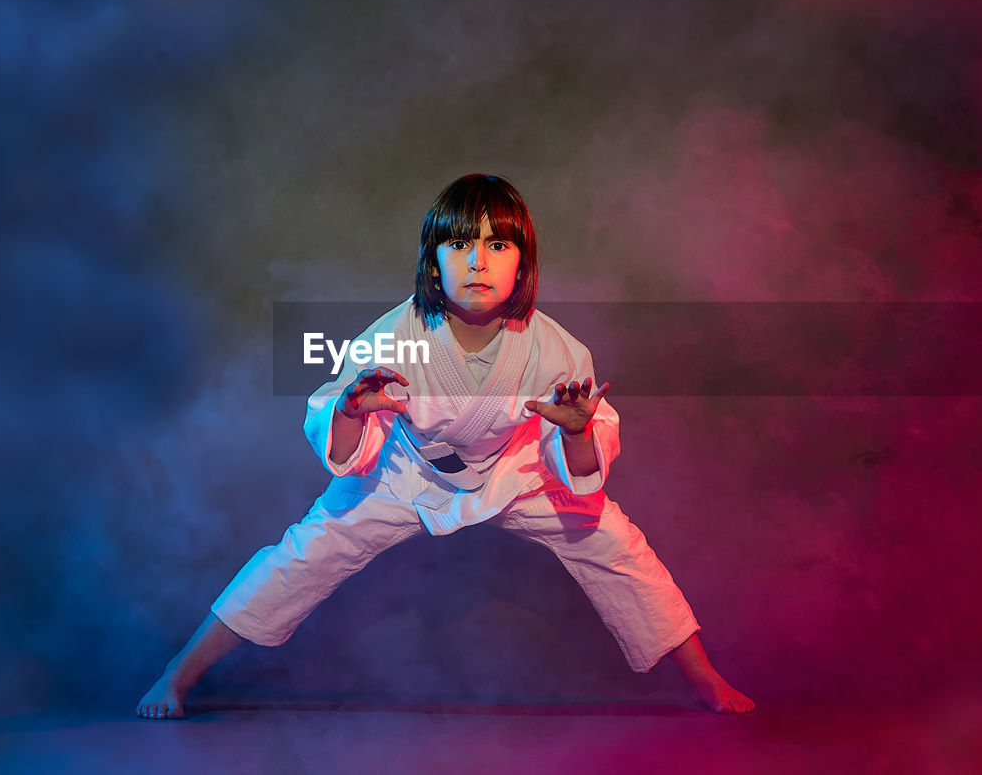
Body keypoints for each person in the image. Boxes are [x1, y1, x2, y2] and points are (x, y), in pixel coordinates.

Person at [137, 174, 755, 718]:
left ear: (522, 262)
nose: (478, 261)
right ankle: (180, 673)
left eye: (497, 244)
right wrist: (351, 411)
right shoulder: (395, 338)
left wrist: (575, 431)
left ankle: (703, 679)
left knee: (616, 545)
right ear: (434, 263)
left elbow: (583, 468)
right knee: (301, 554)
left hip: (518, 469)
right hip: (406, 471)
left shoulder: (556, 351)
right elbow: (341, 426)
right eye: (459, 244)